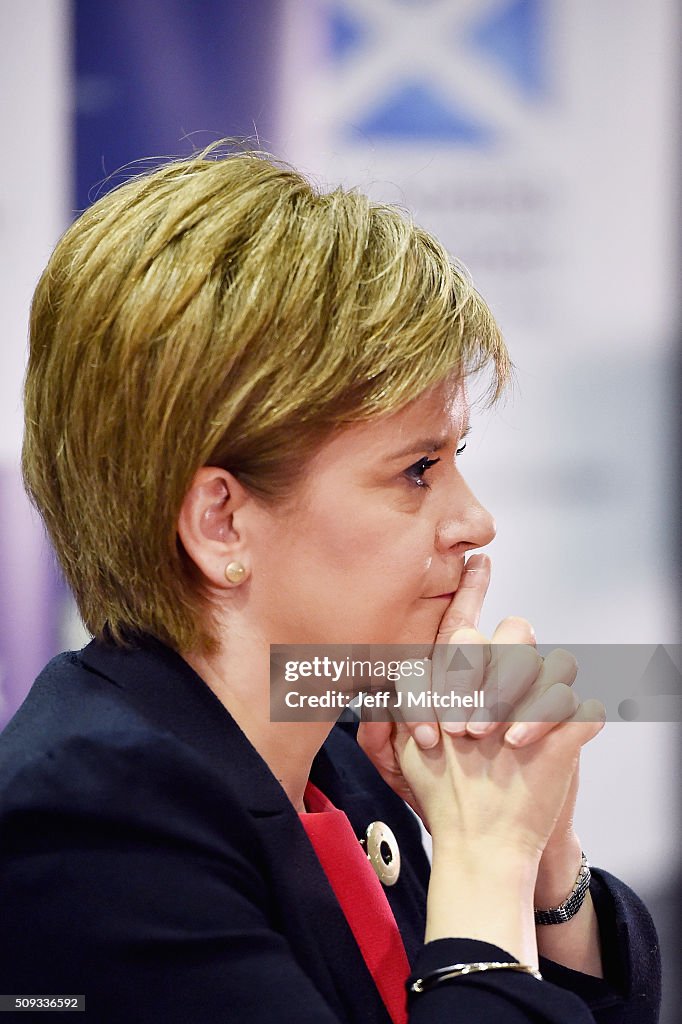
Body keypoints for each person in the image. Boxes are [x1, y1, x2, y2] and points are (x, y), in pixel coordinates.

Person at [0, 145, 660, 1023]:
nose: (476, 520)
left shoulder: (342, 759)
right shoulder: (90, 825)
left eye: (456, 456)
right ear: (220, 523)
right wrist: (482, 853)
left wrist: (543, 867)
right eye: (418, 470)